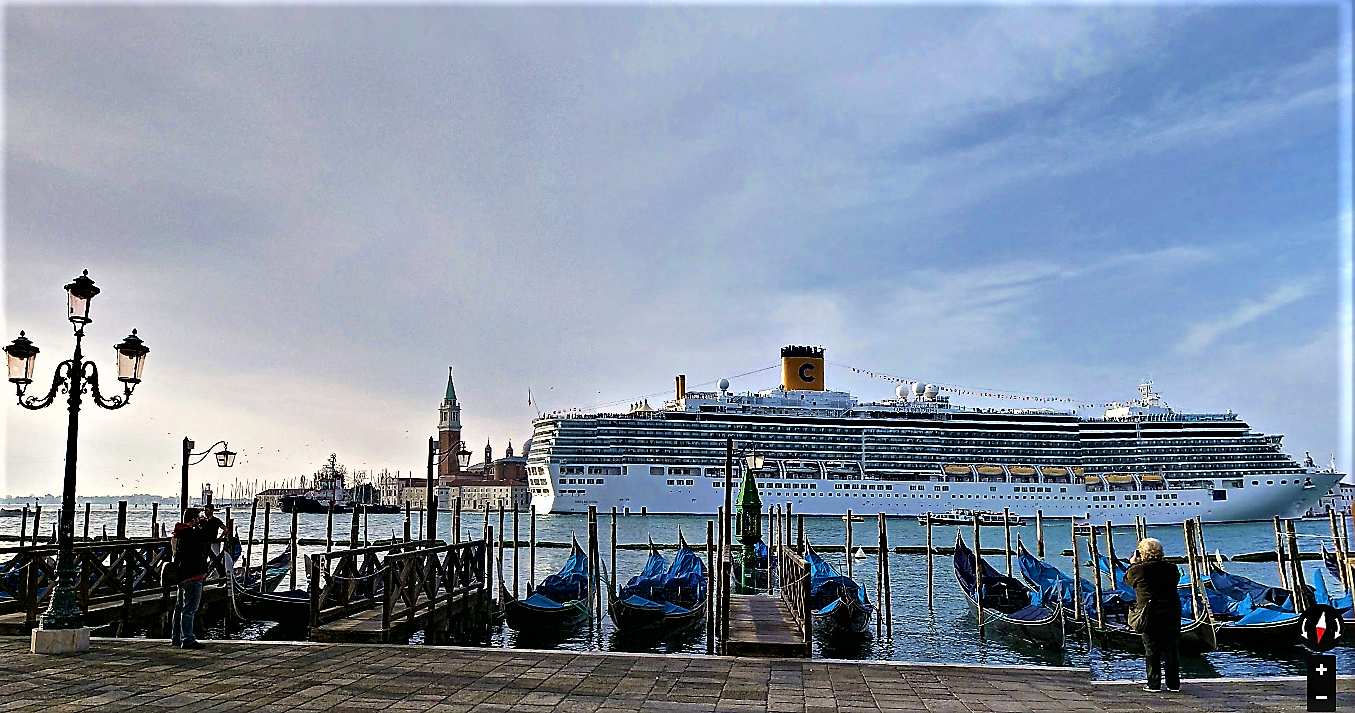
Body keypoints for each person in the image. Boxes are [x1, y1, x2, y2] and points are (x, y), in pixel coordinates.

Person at [1124, 537, 1181, 692]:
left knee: (1152, 649)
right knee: (1171, 649)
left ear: (1142, 553)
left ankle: (1153, 684)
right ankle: (1173, 684)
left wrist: (1133, 563)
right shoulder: (1172, 568)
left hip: (1150, 613)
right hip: (1172, 612)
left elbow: (1128, 580)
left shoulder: (1138, 570)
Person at [171, 508, 210, 649]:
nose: (199, 519)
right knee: (189, 609)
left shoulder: (178, 533)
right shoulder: (192, 534)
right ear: (193, 519)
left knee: (179, 608)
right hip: (193, 574)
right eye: (198, 518)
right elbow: (207, 536)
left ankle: (176, 637)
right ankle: (187, 639)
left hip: (181, 574)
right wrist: (202, 525)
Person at [201, 504, 226, 576]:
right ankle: (205, 573)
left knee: (214, 558)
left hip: (212, 541)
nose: (205, 512)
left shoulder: (216, 521)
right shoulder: (204, 521)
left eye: (207, 510)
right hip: (204, 542)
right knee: (208, 558)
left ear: (211, 511)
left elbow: (225, 529)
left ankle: (221, 573)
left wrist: (220, 537)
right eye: (205, 510)